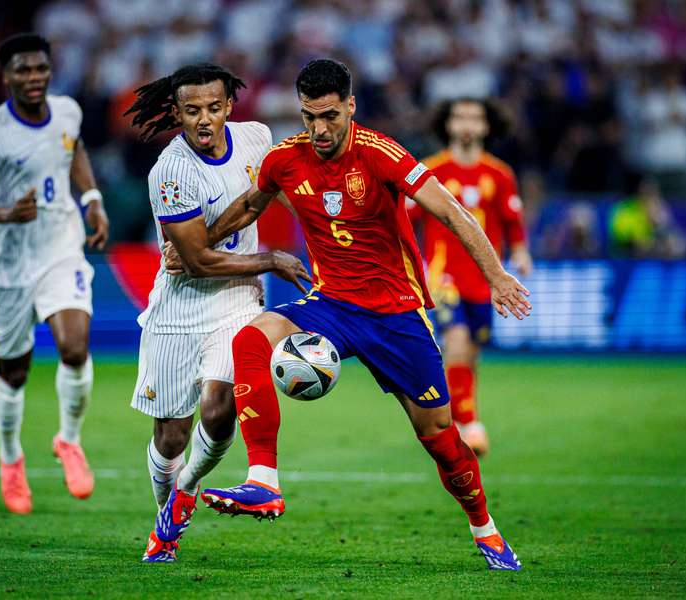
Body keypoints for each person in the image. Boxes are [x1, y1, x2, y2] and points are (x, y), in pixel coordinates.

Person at [166, 59, 530, 570]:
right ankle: (264, 481)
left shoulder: (381, 154)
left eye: (329, 116)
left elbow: (450, 211)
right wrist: (197, 245)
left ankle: (485, 529)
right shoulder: (285, 158)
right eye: (309, 116)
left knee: (441, 439)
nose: (318, 129)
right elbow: (251, 205)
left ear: (350, 107)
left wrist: (496, 275)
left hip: (395, 315)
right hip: (331, 303)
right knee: (250, 340)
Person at [124, 64, 309, 563]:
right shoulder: (171, 172)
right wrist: (271, 258)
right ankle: (168, 511)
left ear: (230, 105)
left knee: (220, 406)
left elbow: (278, 192)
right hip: (179, 306)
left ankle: (183, 497)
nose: (204, 119)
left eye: (213, 107)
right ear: (177, 113)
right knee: (170, 436)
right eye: (191, 110)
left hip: (238, 297)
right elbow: (198, 261)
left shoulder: (257, 137)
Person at [0, 33, 110, 515]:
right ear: (7, 77)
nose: (34, 78)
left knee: (75, 347)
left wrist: (91, 200)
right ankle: (10, 459)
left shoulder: (67, 111)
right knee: (13, 371)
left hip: (61, 247)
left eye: (40, 68)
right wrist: (5, 213)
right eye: (23, 70)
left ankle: (68, 440)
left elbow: (74, 152)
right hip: (9, 265)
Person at [410, 98, 531, 456]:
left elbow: (512, 221)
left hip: (483, 282)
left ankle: (462, 416)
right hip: (442, 276)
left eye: (474, 118)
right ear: (447, 125)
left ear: (486, 126)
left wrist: (521, 253)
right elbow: (406, 215)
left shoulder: (499, 174)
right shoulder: (430, 171)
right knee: (457, 342)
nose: (466, 124)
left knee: (470, 353)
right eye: (459, 117)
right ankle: (466, 425)